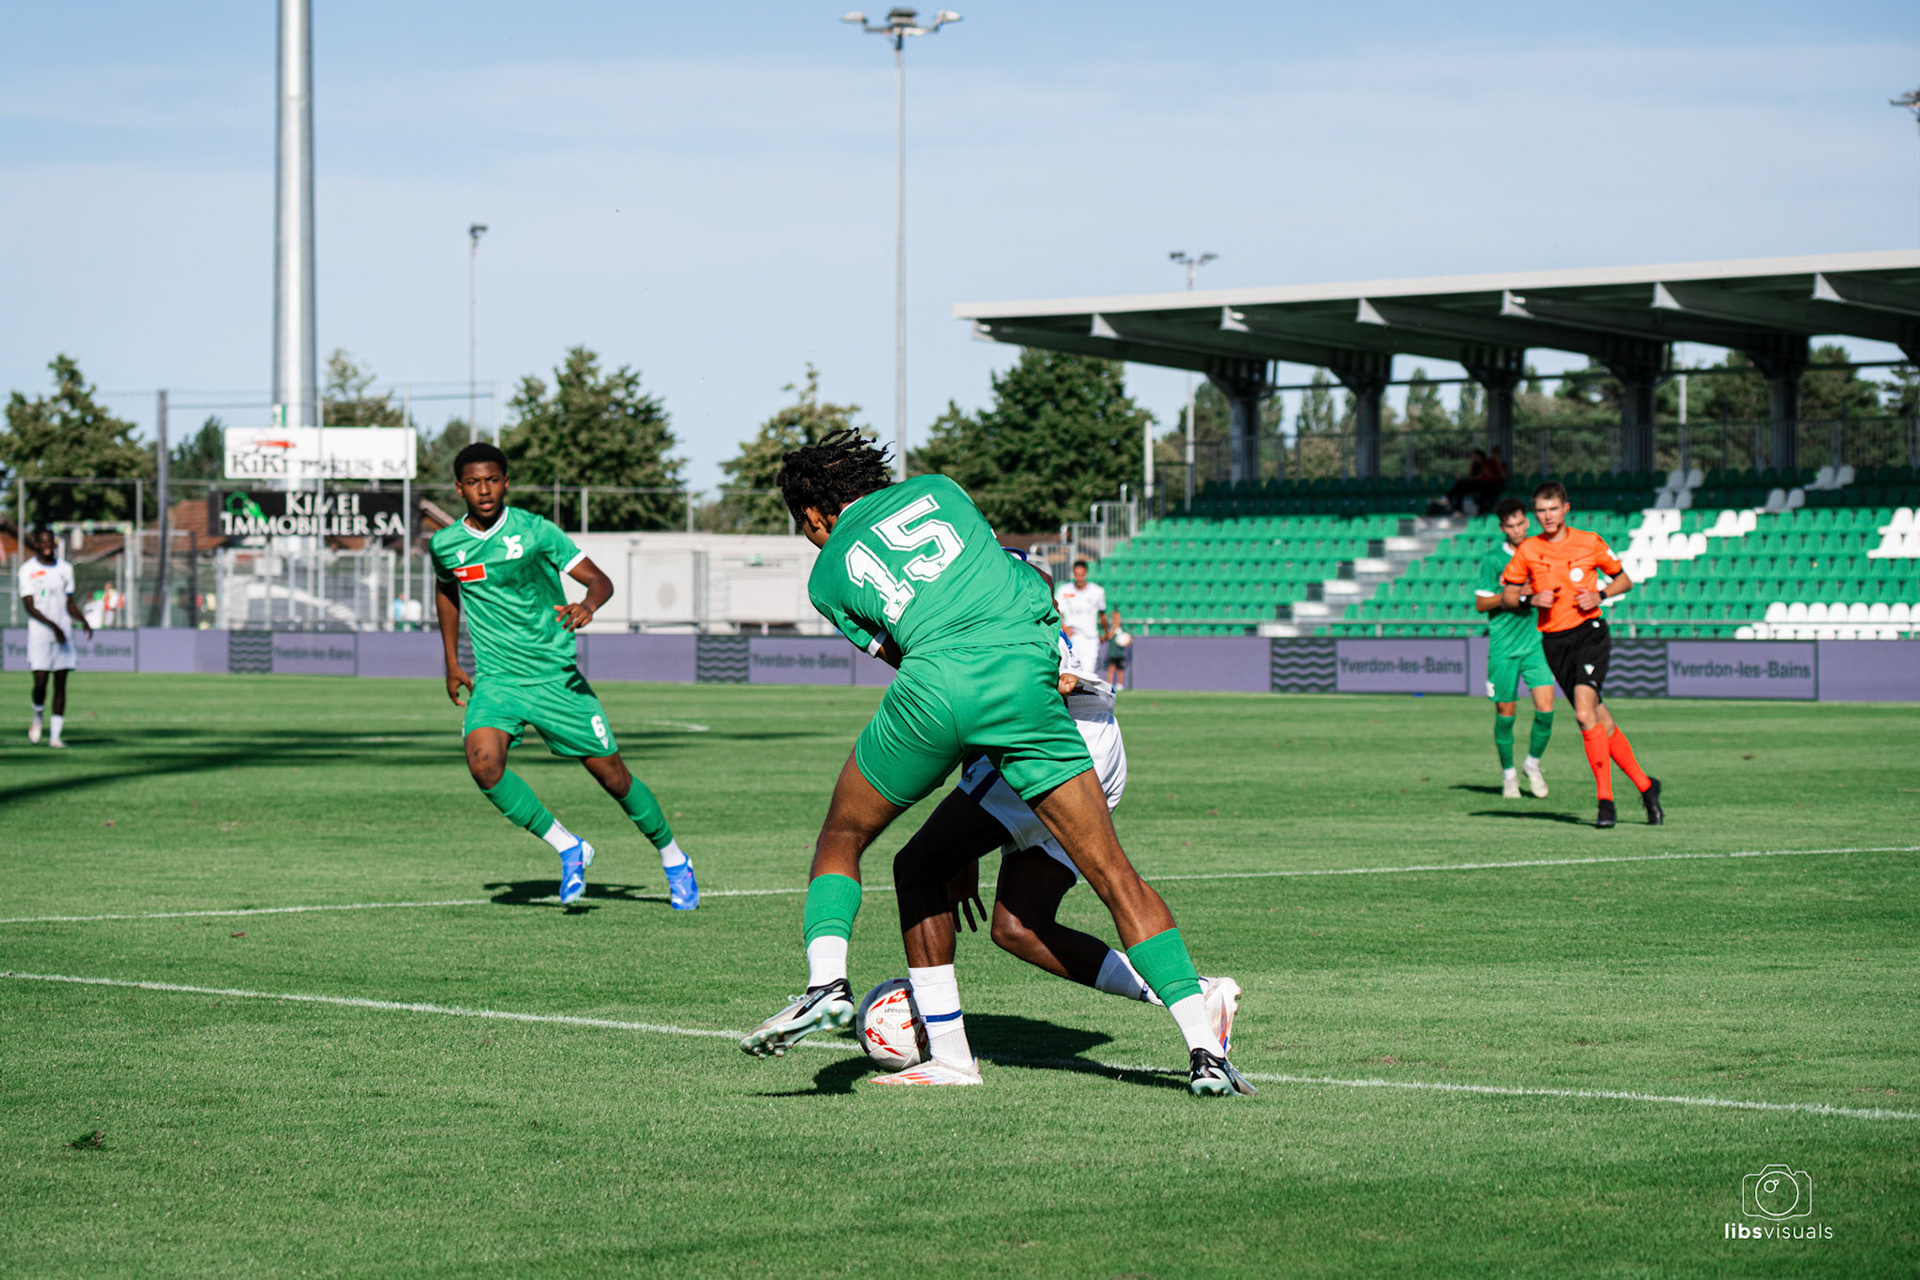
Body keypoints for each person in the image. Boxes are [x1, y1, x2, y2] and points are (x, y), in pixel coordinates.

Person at [739, 430, 1253, 1097]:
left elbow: (926, 667)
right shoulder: (944, 494)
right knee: (1093, 886)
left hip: (956, 696)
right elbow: (1020, 591)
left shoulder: (828, 574)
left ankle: (830, 985)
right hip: (1049, 707)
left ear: (813, 515)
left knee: (851, 839)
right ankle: (1205, 1050)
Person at [884, 637, 1241, 1086]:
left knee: (917, 868)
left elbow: (967, 703)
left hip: (1046, 734)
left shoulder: (960, 584)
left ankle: (951, 1059)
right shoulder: (993, 579)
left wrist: (959, 857)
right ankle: (1199, 998)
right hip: (1094, 733)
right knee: (1020, 925)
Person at [431, 443, 698, 908]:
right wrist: (452, 661)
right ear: (459, 489)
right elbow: (446, 591)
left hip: (556, 679)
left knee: (614, 779)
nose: (484, 489)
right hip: (497, 681)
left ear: (506, 481)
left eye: (492, 479)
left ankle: (674, 858)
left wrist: (587, 605)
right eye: (474, 482)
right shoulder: (446, 544)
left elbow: (600, 580)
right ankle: (567, 846)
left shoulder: (537, 532)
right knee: (484, 765)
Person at [1500, 482, 1663, 829]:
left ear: (1566, 509)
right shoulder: (1528, 550)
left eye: (1553, 509)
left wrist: (1600, 595)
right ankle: (1647, 787)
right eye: (1541, 510)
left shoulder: (1589, 541)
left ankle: (1605, 802)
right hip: (1554, 643)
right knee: (1599, 720)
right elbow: (1508, 596)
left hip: (1589, 635)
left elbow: (1624, 580)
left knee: (1584, 713)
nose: (1547, 516)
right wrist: (1531, 600)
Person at [1475, 498, 1554, 799]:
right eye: (1511, 525)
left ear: (1527, 521)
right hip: (1504, 646)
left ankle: (1532, 765)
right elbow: (1482, 602)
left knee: (1546, 711)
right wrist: (1515, 594)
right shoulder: (1493, 560)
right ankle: (1509, 775)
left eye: (1521, 522)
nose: (1517, 529)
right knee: (1506, 713)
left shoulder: (1539, 551)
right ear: (1502, 528)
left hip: (1535, 644)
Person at [18, 526, 90, 749]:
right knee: (41, 681)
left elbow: (69, 602)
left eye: (50, 542)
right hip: (40, 635)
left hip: (64, 636)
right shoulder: (27, 570)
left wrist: (82, 619)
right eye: (42, 542)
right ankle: (38, 716)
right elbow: (29, 607)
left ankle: (55, 737)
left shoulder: (65, 569)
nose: (47, 546)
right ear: (36, 544)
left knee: (61, 683)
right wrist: (52, 626)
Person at [1054, 560, 1108, 678]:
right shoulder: (1064, 590)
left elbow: (1103, 614)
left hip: (1090, 637)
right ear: (1073, 574)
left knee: (1088, 672)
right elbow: (1058, 611)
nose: (1079, 578)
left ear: (1086, 574)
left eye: (1082, 575)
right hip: (1072, 636)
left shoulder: (1097, 591)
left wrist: (1106, 632)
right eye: (1077, 574)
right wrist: (1064, 627)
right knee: (1071, 672)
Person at [1446, 449, 1488, 515]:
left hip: (1482, 485)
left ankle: (1448, 497)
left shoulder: (1485, 464)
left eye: (1475, 456)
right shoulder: (1474, 464)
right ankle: (1458, 509)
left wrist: (1475, 478)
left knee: (1461, 485)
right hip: (1473, 484)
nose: (1474, 458)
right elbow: (1470, 476)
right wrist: (1471, 464)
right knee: (1460, 489)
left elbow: (1481, 477)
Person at [1104, 607, 1129, 692]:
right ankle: (1109, 684)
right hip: (1112, 652)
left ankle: (1120, 684)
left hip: (1119, 652)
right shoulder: (1111, 628)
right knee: (1111, 668)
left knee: (1120, 669)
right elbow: (1108, 637)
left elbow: (1128, 638)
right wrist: (1114, 629)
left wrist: (1126, 642)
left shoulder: (1122, 628)